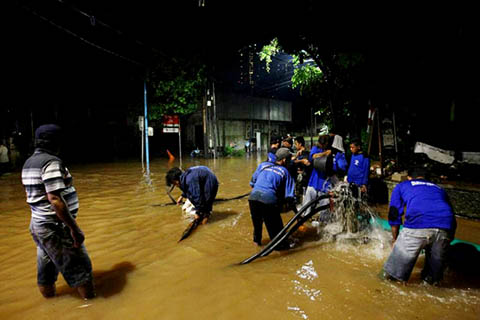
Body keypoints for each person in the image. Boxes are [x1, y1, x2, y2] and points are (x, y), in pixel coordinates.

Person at [21, 124, 95, 299]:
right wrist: (74, 229)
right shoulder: (51, 162)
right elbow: (54, 198)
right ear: (54, 142)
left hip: (39, 224)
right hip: (55, 226)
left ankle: (50, 305)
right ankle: (93, 306)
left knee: (46, 269)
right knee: (81, 269)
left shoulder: (29, 162)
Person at [381, 167, 457, 285]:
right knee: (433, 282)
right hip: (445, 227)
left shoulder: (403, 185)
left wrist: (395, 239)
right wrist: (448, 239)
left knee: (391, 278)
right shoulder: (439, 189)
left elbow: (394, 213)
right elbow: (450, 214)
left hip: (417, 225)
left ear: (409, 178)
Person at [248, 147, 296, 248]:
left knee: (257, 228)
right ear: (284, 160)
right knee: (278, 237)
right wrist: (296, 213)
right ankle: (281, 250)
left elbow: (252, 183)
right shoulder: (285, 172)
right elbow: (290, 197)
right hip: (268, 200)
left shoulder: (262, 166)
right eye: (289, 158)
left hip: (253, 198)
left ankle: (256, 247)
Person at [301, 135, 333, 218]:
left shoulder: (331, 151)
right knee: (307, 204)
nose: (322, 146)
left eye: (324, 144)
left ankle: (324, 221)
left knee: (325, 205)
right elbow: (313, 156)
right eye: (321, 144)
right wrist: (325, 153)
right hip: (314, 180)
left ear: (327, 143)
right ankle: (304, 219)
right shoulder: (315, 149)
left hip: (325, 183)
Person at [292, 136, 311, 204]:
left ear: (300, 144)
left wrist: (298, 160)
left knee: (302, 194)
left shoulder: (305, 153)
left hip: (303, 178)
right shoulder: (299, 153)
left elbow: (307, 163)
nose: (295, 145)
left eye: (296, 143)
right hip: (302, 177)